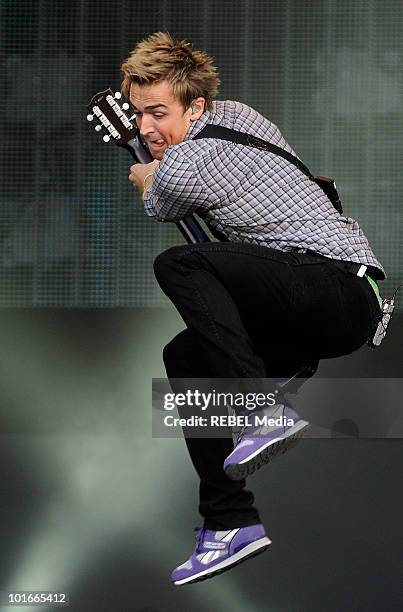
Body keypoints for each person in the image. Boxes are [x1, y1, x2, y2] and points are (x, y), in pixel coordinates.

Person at [122, 31, 385, 585]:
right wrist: (157, 163)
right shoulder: (238, 114)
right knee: (185, 357)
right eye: (138, 113)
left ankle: (261, 410)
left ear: (196, 107)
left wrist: (146, 174)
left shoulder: (194, 158)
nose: (146, 127)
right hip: (308, 309)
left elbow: (162, 195)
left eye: (157, 112)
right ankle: (228, 521)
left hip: (335, 286)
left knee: (179, 265)